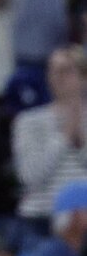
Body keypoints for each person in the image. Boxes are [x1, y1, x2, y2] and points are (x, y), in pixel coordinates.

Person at [12, 47, 87, 236]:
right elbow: (29, 176)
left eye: (66, 70)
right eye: (53, 71)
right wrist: (64, 137)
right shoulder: (28, 121)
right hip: (41, 219)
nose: (58, 77)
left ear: (83, 77)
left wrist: (80, 138)